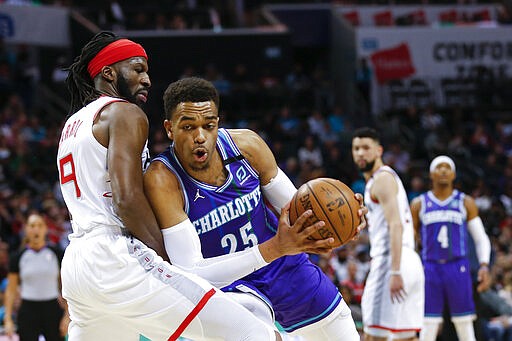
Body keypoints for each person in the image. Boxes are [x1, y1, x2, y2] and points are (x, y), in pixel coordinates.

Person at [57, 31, 295, 341]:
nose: (147, 80)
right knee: (252, 331)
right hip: (116, 257)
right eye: (138, 69)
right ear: (109, 72)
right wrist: (163, 260)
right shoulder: (125, 112)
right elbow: (126, 199)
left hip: (78, 264)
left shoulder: (72, 125)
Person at [143, 77, 368, 340]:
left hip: (283, 266)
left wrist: (339, 220)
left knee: (343, 331)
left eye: (209, 125)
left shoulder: (246, 146)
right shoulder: (163, 179)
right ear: (170, 129)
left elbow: (295, 206)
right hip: (226, 286)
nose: (200, 137)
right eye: (188, 127)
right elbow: (190, 274)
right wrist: (274, 248)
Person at [351, 127, 424, 341]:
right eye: (356, 148)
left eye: (366, 148)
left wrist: (394, 271)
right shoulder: (383, 179)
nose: (361, 153)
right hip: (409, 260)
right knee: (407, 337)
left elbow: (396, 225)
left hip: (392, 262)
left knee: (373, 335)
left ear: (379, 150)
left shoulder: (381, 179)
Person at [410, 155, 491, 341]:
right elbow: (410, 241)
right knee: (428, 323)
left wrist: (484, 265)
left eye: (448, 167)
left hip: (458, 266)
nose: (444, 170)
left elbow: (481, 238)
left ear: (454, 174)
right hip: (430, 267)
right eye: (439, 167)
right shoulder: (419, 204)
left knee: (464, 322)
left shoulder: (465, 202)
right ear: (431, 174)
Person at [3, 212, 69, 341]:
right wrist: (8, 318)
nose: (36, 229)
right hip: (28, 310)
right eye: (32, 225)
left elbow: (66, 287)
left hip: (52, 309)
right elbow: (11, 290)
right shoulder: (18, 257)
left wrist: (67, 316)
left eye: (39, 225)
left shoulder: (57, 254)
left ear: (45, 228)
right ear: (26, 229)